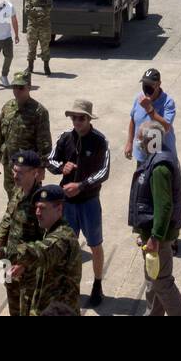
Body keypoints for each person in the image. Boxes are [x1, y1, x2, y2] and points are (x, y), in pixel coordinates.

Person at [0, 183, 82, 316]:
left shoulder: (63, 238)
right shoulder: (49, 231)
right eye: (36, 207)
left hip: (59, 311)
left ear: (59, 209)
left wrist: (2, 252)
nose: (37, 212)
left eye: (42, 208)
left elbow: (39, 251)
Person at [47, 99, 110, 307]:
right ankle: (68, 285)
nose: (76, 122)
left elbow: (104, 171)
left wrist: (81, 186)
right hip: (68, 204)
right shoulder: (65, 138)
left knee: (95, 245)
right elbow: (51, 159)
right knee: (67, 246)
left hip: (89, 202)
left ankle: (97, 285)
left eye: (81, 118)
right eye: (73, 117)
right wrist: (61, 168)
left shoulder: (100, 140)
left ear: (89, 119)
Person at [128, 122, 181, 315]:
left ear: (151, 140)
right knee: (152, 281)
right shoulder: (154, 159)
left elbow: (164, 206)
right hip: (151, 235)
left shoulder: (160, 167)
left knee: (162, 283)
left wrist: (155, 237)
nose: (138, 141)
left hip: (158, 239)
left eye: (140, 138)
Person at [0, 150, 44, 315]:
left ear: (34, 173)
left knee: (28, 309)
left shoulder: (41, 203)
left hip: (29, 270)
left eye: (20, 172)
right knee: (14, 308)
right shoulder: (17, 191)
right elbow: (8, 218)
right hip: (9, 261)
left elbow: (45, 241)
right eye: (14, 170)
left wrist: (25, 263)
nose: (15, 175)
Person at [0, 71, 52, 200]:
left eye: (21, 87)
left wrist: (42, 167)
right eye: (15, 87)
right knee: (11, 196)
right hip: (9, 164)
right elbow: (0, 135)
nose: (17, 91)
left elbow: (44, 143)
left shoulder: (39, 111)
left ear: (29, 87)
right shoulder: (8, 107)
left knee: (28, 199)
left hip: (27, 167)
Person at [126, 68, 176, 167]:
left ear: (159, 84)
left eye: (150, 84)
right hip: (142, 155)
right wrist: (129, 142)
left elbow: (166, 127)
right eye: (144, 84)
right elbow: (133, 120)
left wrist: (149, 109)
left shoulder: (168, 102)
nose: (146, 87)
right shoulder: (139, 98)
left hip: (160, 157)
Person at [23, 0, 54, 76]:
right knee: (31, 46)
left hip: (44, 26)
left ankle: (46, 66)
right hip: (33, 26)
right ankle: (30, 66)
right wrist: (40, 10)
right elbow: (27, 10)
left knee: (45, 47)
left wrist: (35, 9)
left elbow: (48, 9)